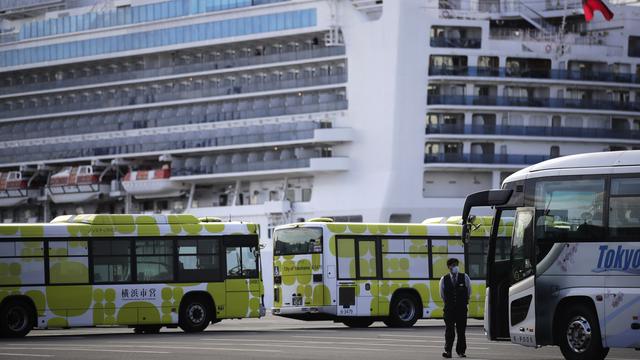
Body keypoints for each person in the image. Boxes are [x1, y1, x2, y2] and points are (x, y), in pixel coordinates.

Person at [440, 258, 471, 358]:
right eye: (453, 265)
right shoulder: (443, 279)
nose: (455, 267)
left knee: (461, 331)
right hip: (449, 310)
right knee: (449, 331)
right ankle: (448, 351)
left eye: (456, 265)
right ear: (448, 267)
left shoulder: (464, 277)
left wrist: (463, 302)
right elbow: (442, 295)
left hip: (461, 309)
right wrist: (449, 304)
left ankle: (461, 351)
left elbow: (469, 291)